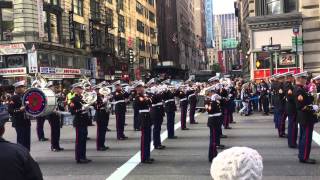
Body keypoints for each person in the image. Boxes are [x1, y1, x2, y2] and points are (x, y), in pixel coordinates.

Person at [294, 71, 317, 164]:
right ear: (299, 79)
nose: (305, 80)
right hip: (305, 117)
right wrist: (312, 107)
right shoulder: (299, 90)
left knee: (303, 137)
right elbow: (301, 106)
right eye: (304, 78)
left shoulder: (300, 89)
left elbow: (305, 100)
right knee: (306, 138)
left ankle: (302, 155)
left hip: (304, 117)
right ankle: (304, 157)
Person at [69, 83, 92, 164]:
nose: (81, 90)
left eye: (81, 88)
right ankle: (79, 157)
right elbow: (72, 111)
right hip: (79, 121)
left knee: (84, 139)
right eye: (79, 88)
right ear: (75, 89)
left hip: (84, 121)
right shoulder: (73, 99)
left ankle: (83, 156)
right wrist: (81, 109)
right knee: (79, 140)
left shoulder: (83, 98)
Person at [8, 80, 31, 151]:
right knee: (21, 140)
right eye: (22, 87)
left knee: (27, 140)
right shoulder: (13, 98)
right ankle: (21, 157)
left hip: (26, 121)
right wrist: (19, 110)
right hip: (19, 122)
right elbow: (10, 110)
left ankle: (27, 156)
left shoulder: (25, 96)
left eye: (24, 87)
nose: (24, 89)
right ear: (17, 88)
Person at [134, 82, 154, 163]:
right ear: (137, 89)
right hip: (143, 117)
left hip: (147, 116)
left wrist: (147, 98)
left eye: (142, 87)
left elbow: (150, 102)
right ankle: (143, 158)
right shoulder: (138, 97)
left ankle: (147, 156)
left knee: (148, 138)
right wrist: (146, 98)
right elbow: (143, 103)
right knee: (144, 138)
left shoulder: (144, 96)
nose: (142, 88)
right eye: (140, 87)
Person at [205, 86, 223, 162]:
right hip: (213, 121)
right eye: (212, 92)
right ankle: (212, 156)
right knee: (213, 140)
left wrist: (220, 98)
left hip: (217, 121)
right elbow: (210, 110)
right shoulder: (207, 101)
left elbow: (224, 102)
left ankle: (214, 154)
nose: (213, 94)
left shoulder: (215, 100)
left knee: (215, 138)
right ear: (209, 94)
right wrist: (212, 101)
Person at [46, 81, 64, 152]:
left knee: (57, 131)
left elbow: (59, 105)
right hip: (51, 115)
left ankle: (57, 145)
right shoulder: (47, 96)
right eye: (52, 87)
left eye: (53, 86)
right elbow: (47, 106)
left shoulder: (55, 95)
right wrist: (54, 111)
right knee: (54, 131)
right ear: (49, 88)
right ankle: (53, 146)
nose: (54, 88)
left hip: (57, 114)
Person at [283, 73, 297, 148]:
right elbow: (290, 96)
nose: (293, 78)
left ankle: (292, 142)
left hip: (290, 107)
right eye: (293, 77)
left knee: (292, 125)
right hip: (291, 107)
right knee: (292, 126)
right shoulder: (288, 85)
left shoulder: (287, 84)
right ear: (290, 78)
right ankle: (292, 142)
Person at [94, 86, 110, 151]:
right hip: (100, 114)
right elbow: (97, 107)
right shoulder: (95, 97)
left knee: (103, 131)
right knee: (100, 131)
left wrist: (107, 101)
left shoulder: (103, 96)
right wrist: (104, 102)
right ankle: (99, 146)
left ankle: (102, 144)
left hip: (105, 114)